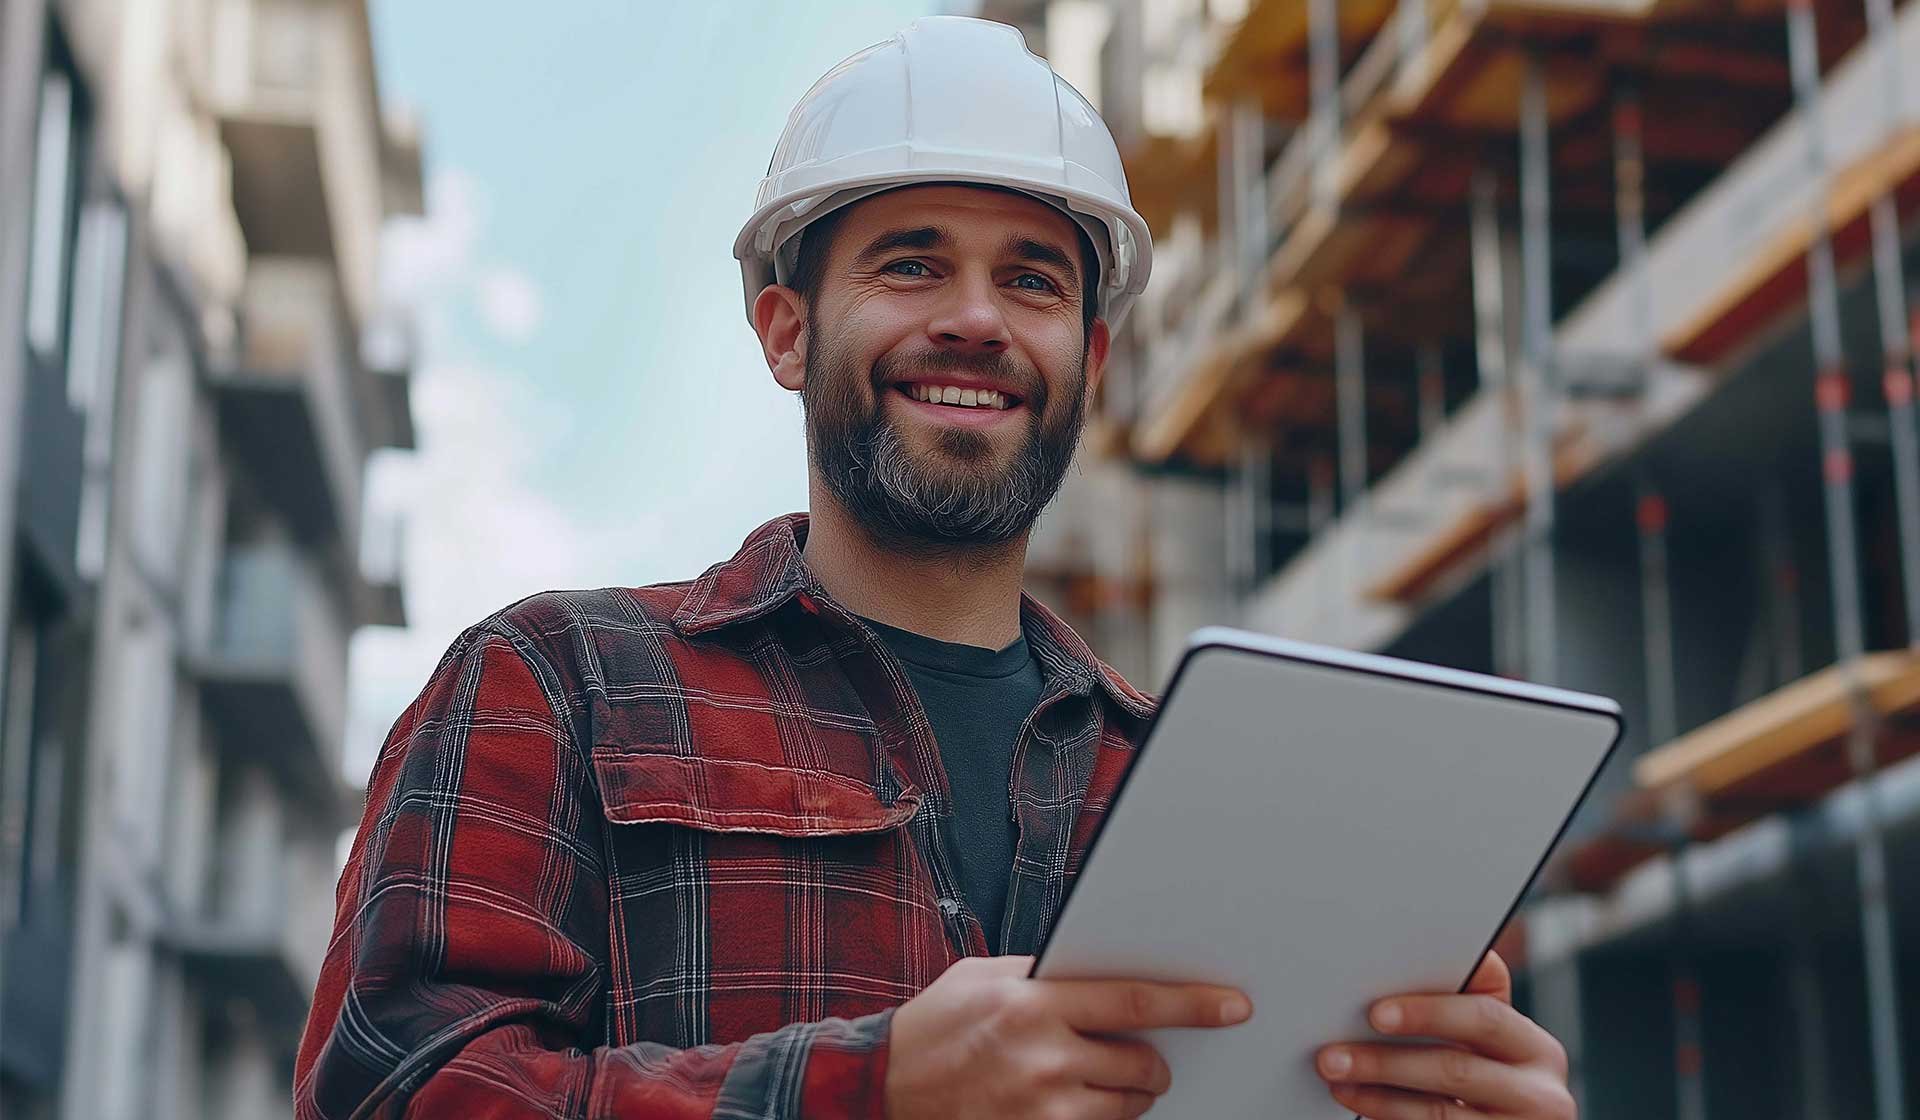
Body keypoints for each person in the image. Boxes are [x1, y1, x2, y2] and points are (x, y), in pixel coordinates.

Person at [294, 16, 1575, 1120]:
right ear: (787, 331)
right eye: (913, 262)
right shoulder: (554, 686)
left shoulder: (1197, 781)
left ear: (1091, 362)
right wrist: (873, 1088)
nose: (975, 318)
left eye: (1031, 280)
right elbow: (397, 1090)